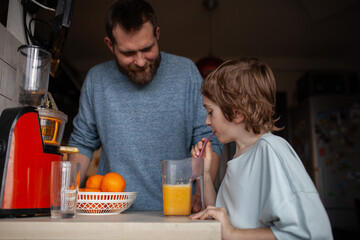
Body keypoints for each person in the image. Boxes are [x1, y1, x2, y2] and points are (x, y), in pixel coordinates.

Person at [68, 0, 223, 211]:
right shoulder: (97, 80)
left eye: (147, 49)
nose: (140, 61)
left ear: (157, 34)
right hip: (111, 215)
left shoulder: (186, 73)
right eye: (128, 53)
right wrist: (67, 196)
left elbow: (207, 141)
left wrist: (199, 194)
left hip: (175, 214)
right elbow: (82, 143)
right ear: (109, 45)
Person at [190, 57, 333, 239]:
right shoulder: (240, 157)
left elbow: (306, 233)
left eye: (210, 112)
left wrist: (234, 234)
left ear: (236, 113)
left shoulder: (270, 150)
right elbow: (220, 219)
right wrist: (206, 173)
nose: (207, 121)